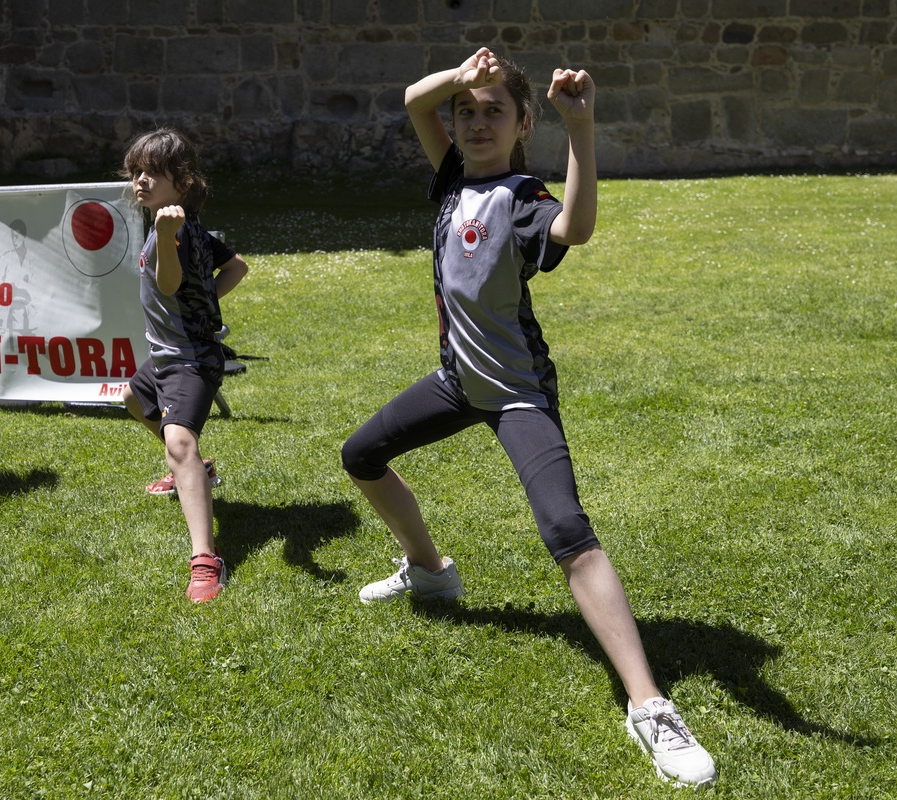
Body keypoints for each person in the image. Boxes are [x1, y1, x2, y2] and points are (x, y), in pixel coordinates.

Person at [340, 49, 718, 788]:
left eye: (494, 112)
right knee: (361, 454)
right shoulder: (452, 174)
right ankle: (429, 571)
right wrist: (458, 76)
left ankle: (649, 706)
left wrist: (582, 129)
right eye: (467, 112)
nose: (476, 122)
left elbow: (574, 228)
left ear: (521, 126)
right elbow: (415, 100)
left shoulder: (520, 196)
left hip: (516, 395)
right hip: (456, 383)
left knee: (568, 534)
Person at [118, 128, 249, 603]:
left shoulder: (172, 230)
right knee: (133, 397)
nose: (141, 181)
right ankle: (194, 469)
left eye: (153, 173)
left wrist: (166, 241)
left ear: (183, 180)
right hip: (167, 356)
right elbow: (237, 267)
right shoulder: (191, 226)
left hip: (191, 360)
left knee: (178, 440)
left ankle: (205, 560)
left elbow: (169, 285)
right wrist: (206, 299)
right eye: (136, 172)